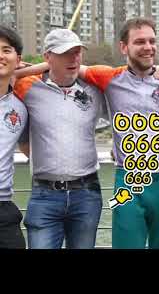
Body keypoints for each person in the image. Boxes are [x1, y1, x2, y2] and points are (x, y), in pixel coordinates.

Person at [15, 18, 159, 249]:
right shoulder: (31, 86)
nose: (148, 47)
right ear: (124, 47)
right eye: (140, 41)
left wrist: (156, 69)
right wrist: (35, 67)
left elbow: (135, 74)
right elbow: (11, 79)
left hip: (119, 187)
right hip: (109, 185)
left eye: (152, 41)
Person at [14, 29, 106, 249]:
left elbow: (125, 77)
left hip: (87, 194)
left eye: (77, 52)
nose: (73, 58)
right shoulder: (29, 88)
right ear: (48, 57)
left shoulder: (95, 91)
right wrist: (33, 69)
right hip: (44, 195)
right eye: (65, 53)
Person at [0, 25, 28, 249]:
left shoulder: (20, 108)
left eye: (6, 50)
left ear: (18, 59)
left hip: (3, 209)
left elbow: (29, 150)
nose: (0, 55)